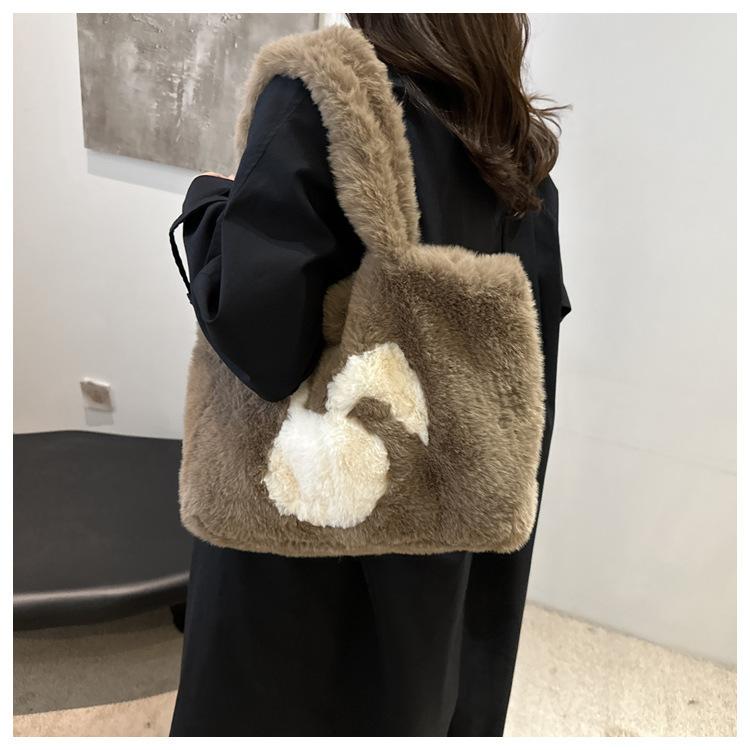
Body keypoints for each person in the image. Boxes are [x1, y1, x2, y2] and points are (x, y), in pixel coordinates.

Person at [169, 13, 570, 737]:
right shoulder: (520, 157)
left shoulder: (320, 97)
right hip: (444, 561)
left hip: (299, 550)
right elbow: (527, 383)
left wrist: (208, 202)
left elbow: (261, 343)